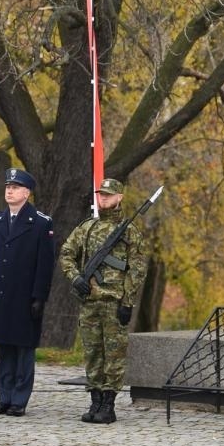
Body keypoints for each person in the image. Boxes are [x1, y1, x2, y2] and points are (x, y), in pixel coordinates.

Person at [60, 178, 147, 425]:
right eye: (101, 194)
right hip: (89, 302)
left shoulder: (129, 231)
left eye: (108, 195)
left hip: (113, 302)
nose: (104, 198)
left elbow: (137, 269)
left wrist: (127, 302)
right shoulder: (86, 228)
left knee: (114, 355)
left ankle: (108, 405)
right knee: (92, 354)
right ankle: (95, 401)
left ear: (120, 197)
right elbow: (66, 253)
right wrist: (75, 277)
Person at [0, 168, 56, 417]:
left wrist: (39, 297)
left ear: (27, 193)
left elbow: (45, 264)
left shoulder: (41, 223)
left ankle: (19, 400)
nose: (9, 191)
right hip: (1, 295)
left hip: (24, 297)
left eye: (15, 187)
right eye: (7, 187)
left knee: (23, 350)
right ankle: (4, 397)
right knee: (4, 349)